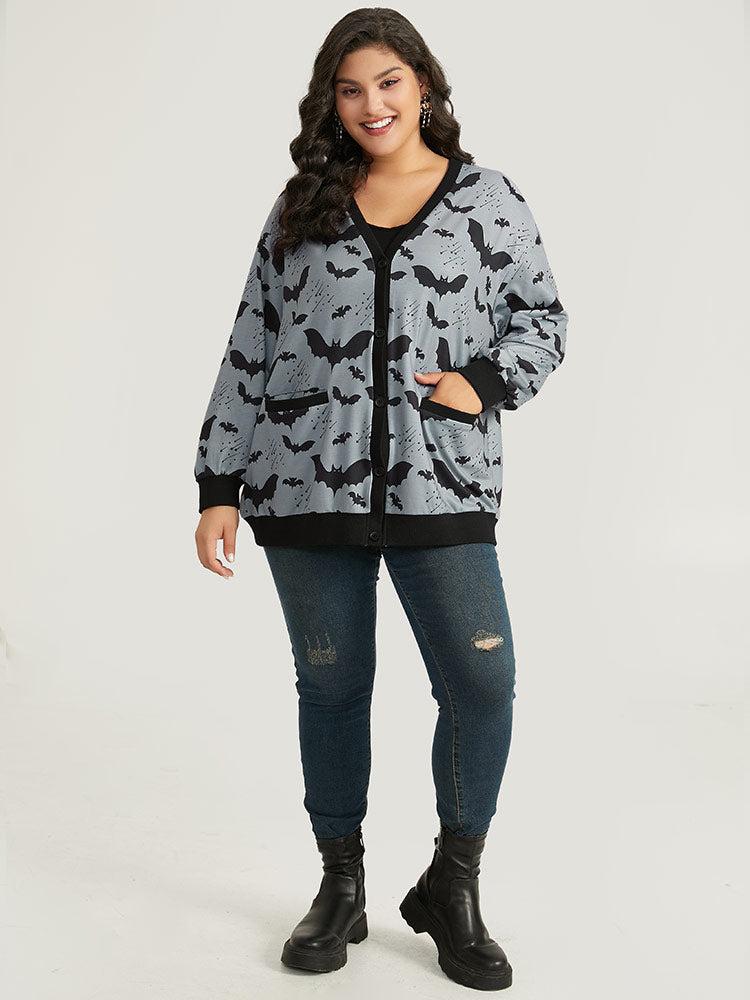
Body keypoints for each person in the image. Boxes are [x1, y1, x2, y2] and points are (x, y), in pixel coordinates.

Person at [193, 7, 568, 991]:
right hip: (301, 486)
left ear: (424, 85)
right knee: (332, 688)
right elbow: (251, 342)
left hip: (443, 483)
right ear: (332, 101)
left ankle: (452, 883)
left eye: (389, 83)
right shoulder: (301, 208)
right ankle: (341, 880)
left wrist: (484, 381)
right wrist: (218, 481)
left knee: (482, 682)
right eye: (351, 88)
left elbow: (543, 318)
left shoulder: (488, 200)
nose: (372, 104)